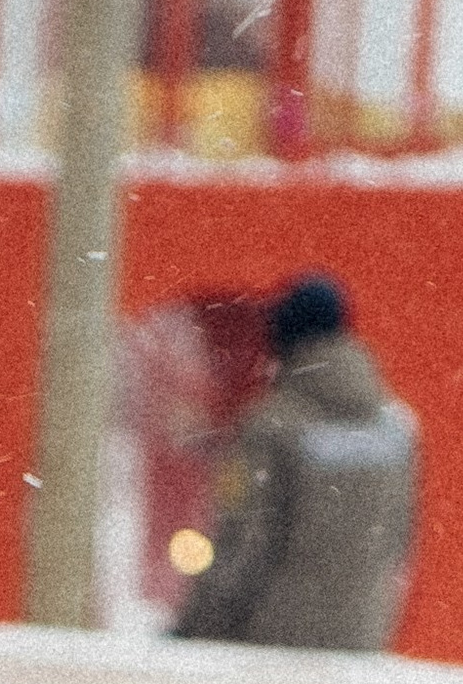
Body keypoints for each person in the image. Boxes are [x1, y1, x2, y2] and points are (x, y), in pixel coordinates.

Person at [173, 274, 418, 654]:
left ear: (285, 336)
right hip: (361, 642)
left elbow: (243, 545)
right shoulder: (395, 428)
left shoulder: (273, 424)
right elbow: (398, 542)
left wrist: (191, 631)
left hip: (273, 646)